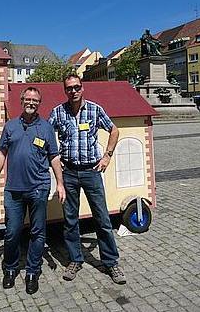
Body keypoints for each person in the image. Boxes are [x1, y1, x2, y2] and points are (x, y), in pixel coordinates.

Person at [48, 73, 126, 284]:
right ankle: (75, 259)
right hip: (69, 173)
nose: (73, 91)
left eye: (76, 87)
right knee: (70, 220)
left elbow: (114, 130)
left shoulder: (95, 109)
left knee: (101, 218)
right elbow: (47, 135)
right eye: (69, 88)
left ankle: (111, 263)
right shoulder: (58, 112)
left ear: (82, 88)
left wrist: (107, 156)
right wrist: (54, 159)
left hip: (92, 172)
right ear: (65, 91)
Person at [0, 86, 66, 295]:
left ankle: (33, 271)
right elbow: (0, 154)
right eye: (28, 99)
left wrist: (59, 183)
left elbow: (54, 157)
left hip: (39, 188)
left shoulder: (46, 128)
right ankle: (11, 268)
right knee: (12, 232)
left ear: (39, 103)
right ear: (22, 101)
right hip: (14, 190)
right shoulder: (10, 127)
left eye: (35, 100)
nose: (31, 103)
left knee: (38, 232)